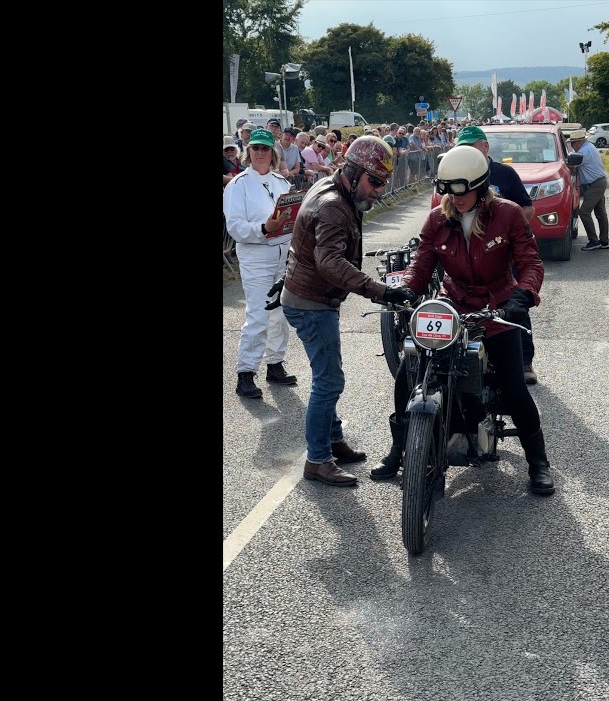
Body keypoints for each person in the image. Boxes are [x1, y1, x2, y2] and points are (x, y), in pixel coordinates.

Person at [369, 145, 554, 495]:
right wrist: (406, 289)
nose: (457, 198)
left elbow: (530, 263)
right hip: (451, 305)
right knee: (408, 373)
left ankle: (538, 463)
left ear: (482, 185)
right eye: (448, 189)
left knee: (514, 388)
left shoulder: (509, 214)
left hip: (497, 308)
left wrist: (521, 296)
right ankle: (400, 448)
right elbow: (422, 263)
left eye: (463, 189)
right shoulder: (438, 218)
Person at [281, 135, 417, 486]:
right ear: (354, 172)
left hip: (313, 297)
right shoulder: (332, 205)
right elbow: (329, 262)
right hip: (312, 302)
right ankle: (318, 459)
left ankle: (334, 439)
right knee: (329, 382)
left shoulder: (338, 190)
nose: (378, 191)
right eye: (375, 181)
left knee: (328, 374)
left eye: (383, 183)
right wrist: (381, 292)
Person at [452, 125, 540, 384]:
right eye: (461, 148)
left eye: (470, 147)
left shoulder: (505, 173)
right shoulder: (456, 175)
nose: (466, 153)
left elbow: (528, 209)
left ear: (485, 147)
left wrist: (504, 227)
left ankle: (524, 361)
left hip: (501, 253)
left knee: (513, 304)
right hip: (468, 256)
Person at [224, 128, 298, 398]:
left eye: (265, 149)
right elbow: (234, 227)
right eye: (255, 148)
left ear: (273, 153)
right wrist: (264, 228)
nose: (259, 153)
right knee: (257, 314)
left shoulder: (280, 182)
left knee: (281, 312)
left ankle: (275, 363)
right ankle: (245, 372)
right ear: (248, 152)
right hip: (255, 255)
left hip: (283, 252)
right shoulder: (238, 184)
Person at [567, 128, 609, 251]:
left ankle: (594, 240)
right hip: (599, 182)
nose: (573, 147)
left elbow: (573, 167)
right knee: (600, 213)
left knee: (584, 212)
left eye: (573, 144)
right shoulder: (589, 147)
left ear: (578, 142)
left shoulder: (584, 152)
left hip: (594, 184)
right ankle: (604, 241)